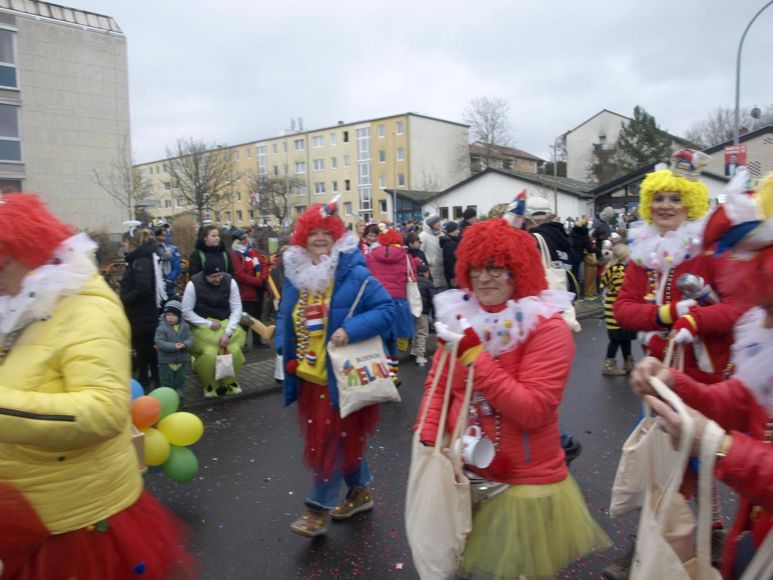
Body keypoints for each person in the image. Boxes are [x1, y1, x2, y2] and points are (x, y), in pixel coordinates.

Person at [0, 193, 197, 579]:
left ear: (24, 254)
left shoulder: (88, 310)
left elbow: (105, 411)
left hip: (75, 525)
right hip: (26, 515)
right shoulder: (16, 305)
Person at [416, 218, 611, 579]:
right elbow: (438, 385)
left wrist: (476, 357)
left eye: (496, 268)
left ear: (518, 271)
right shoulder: (460, 318)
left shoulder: (548, 328)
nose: (483, 278)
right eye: (476, 268)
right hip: (464, 473)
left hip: (523, 483)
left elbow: (534, 410)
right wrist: (428, 436)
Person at [605, 150, 748, 579]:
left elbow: (738, 308)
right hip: (656, 374)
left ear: (691, 202)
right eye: (659, 198)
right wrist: (668, 316)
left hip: (705, 375)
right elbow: (624, 310)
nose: (666, 206)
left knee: (703, 456)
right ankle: (660, 541)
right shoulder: (643, 253)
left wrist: (695, 319)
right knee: (666, 457)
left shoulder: (710, 251)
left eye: (675, 198)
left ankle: (708, 535)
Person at [275, 202, 394, 538]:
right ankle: (360, 492)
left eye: (326, 233)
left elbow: (388, 310)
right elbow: (287, 314)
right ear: (302, 236)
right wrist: (283, 346)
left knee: (330, 441)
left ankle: (317, 509)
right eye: (313, 233)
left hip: (340, 375)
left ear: (337, 237)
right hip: (308, 375)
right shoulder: (296, 274)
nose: (319, 239)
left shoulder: (353, 272)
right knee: (342, 438)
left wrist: (350, 329)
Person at [181, 261, 245, 398]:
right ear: (205, 275)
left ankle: (229, 382)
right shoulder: (193, 284)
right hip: (203, 326)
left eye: (219, 275)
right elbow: (186, 311)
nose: (217, 279)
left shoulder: (230, 282)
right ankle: (210, 384)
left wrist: (228, 331)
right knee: (210, 354)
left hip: (226, 323)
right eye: (213, 277)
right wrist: (207, 323)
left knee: (234, 351)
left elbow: (237, 308)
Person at [366, 228, 418, 379]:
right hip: (398, 303)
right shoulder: (407, 257)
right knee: (392, 339)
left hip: (377, 302)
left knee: (379, 338)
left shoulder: (370, 256)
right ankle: (393, 373)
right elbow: (413, 277)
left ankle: (385, 374)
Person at [120, 227, 165, 391]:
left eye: (124, 242)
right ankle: (147, 379)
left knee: (146, 349)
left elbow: (143, 288)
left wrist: (124, 299)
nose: (123, 246)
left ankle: (151, 381)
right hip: (140, 314)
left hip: (142, 314)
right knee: (143, 348)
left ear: (131, 243)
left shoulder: (140, 261)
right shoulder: (137, 260)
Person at [229, 228, 270, 348]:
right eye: (243, 240)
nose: (246, 241)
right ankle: (243, 343)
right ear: (237, 242)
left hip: (258, 291)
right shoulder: (235, 255)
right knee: (245, 319)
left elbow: (264, 265)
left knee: (258, 316)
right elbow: (240, 275)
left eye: (245, 238)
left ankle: (257, 341)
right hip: (245, 292)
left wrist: (263, 278)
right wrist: (258, 281)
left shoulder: (253, 252)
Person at [600, 243, 636, 375]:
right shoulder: (621, 271)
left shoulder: (610, 269)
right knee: (617, 339)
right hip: (619, 308)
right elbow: (623, 290)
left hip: (611, 307)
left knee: (622, 337)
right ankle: (609, 365)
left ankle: (629, 362)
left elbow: (603, 284)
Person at [154, 299, 193, 394]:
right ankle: (167, 393)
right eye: (168, 315)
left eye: (173, 315)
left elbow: (190, 338)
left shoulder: (185, 327)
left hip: (181, 359)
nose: (170, 318)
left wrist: (185, 344)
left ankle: (179, 390)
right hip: (166, 360)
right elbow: (159, 342)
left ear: (179, 316)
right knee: (166, 378)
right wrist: (174, 346)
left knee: (181, 376)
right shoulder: (161, 328)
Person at [412, 262, 434, 367]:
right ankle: (420, 356)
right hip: (423, 311)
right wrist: (434, 315)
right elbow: (433, 300)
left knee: (414, 331)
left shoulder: (412, 281)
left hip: (412, 310)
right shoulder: (428, 283)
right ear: (426, 272)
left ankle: (414, 350)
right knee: (422, 333)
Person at [419, 214, 446, 292]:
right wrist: (430, 261)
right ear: (431, 225)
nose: (439, 223)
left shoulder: (442, 234)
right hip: (431, 270)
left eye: (438, 221)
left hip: (443, 269)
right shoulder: (423, 236)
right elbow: (420, 252)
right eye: (436, 222)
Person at [154, 222, 181, 300]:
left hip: (169, 289)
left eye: (165, 230)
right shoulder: (149, 249)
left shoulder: (172, 249)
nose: (164, 232)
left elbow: (177, 268)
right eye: (161, 230)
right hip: (154, 289)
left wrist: (168, 280)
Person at [440, 221, 460, 288]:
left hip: (455, 273)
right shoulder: (449, 244)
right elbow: (450, 262)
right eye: (457, 229)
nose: (458, 231)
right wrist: (453, 277)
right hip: (453, 275)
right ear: (452, 230)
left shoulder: (453, 241)